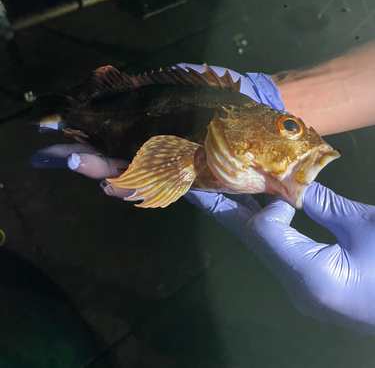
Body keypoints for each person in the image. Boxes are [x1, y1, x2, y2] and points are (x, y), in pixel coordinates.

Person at [30, 41, 375, 335]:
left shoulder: (232, 127)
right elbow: (166, 165)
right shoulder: (223, 123)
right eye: (289, 127)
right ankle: (56, 110)